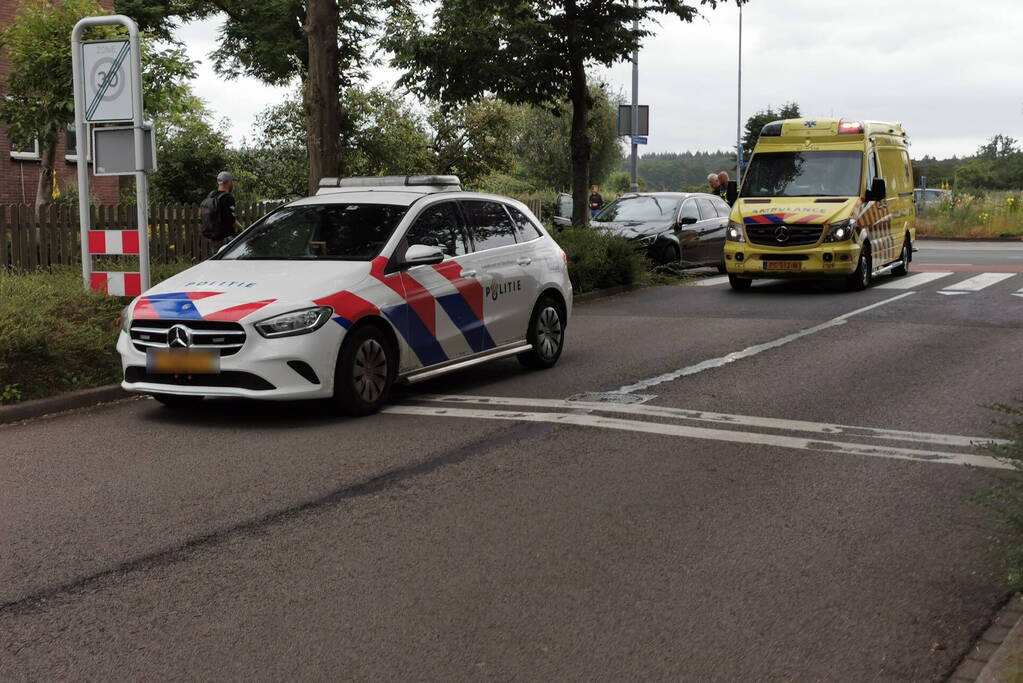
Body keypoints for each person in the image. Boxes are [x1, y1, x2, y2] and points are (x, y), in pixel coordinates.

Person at [201, 171, 244, 252]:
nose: (233, 184)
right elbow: (230, 219)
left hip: (213, 238)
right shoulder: (228, 197)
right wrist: (241, 228)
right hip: (226, 238)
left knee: (217, 260)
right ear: (228, 182)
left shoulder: (211, 195)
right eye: (232, 181)